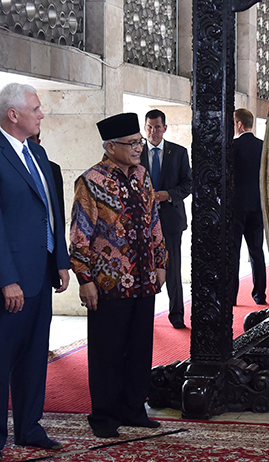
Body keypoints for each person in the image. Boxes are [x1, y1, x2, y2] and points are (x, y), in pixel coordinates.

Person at [0, 83, 71, 461]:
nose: (41, 114)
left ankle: (29, 427)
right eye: (36, 109)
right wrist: (6, 279)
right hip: (7, 280)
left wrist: (60, 260)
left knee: (33, 354)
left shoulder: (37, 154)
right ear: (14, 114)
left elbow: (51, 211)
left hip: (40, 272)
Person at [71, 113, 167, 438]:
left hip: (143, 278)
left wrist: (161, 261)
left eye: (139, 142)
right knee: (107, 351)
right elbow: (80, 234)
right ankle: (105, 417)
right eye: (132, 144)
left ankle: (134, 408)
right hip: (108, 282)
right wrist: (84, 279)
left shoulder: (143, 176)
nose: (138, 148)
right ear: (110, 146)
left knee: (140, 348)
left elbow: (154, 222)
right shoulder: (91, 181)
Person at [140, 109, 191, 328]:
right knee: (144, 269)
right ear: (145, 128)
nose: (153, 132)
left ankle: (177, 314)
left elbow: (188, 184)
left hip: (170, 220)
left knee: (173, 269)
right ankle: (143, 318)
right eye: (149, 127)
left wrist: (168, 194)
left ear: (165, 128)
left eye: (157, 127)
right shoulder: (136, 153)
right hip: (141, 223)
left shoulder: (178, 153)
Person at [230, 108, 266, 306]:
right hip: (257, 206)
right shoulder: (263, 146)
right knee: (257, 251)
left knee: (233, 252)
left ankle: (232, 296)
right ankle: (260, 295)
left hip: (237, 207)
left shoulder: (233, 147)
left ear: (239, 125)